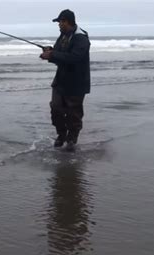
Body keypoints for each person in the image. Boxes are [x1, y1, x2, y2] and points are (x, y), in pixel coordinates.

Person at [40, 9, 91, 151]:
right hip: (61, 81)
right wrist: (50, 51)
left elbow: (74, 58)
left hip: (76, 83)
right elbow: (58, 53)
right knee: (55, 108)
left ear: (66, 21)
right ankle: (61, 135)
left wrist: (52, 55)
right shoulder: (63, 35)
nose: (58, 25)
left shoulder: (81, 38)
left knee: (73, 113)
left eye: (60, 22)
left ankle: (72, 139)